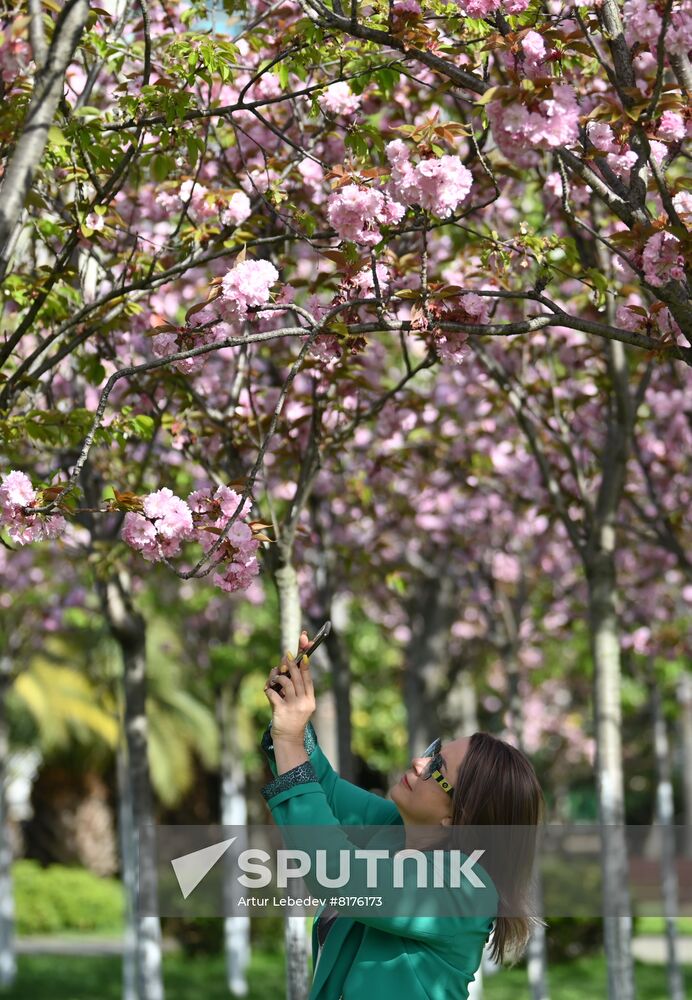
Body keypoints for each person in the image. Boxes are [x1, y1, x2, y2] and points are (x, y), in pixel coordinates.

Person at [261, 630, 545, 999]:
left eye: (437, 768)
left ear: (458, 819)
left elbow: (336, 873)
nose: (419, 761)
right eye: (434, 751)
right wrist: (290, 715)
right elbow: (324, 789)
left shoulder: (464, 890)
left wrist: (289, 738)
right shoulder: (395, 833)